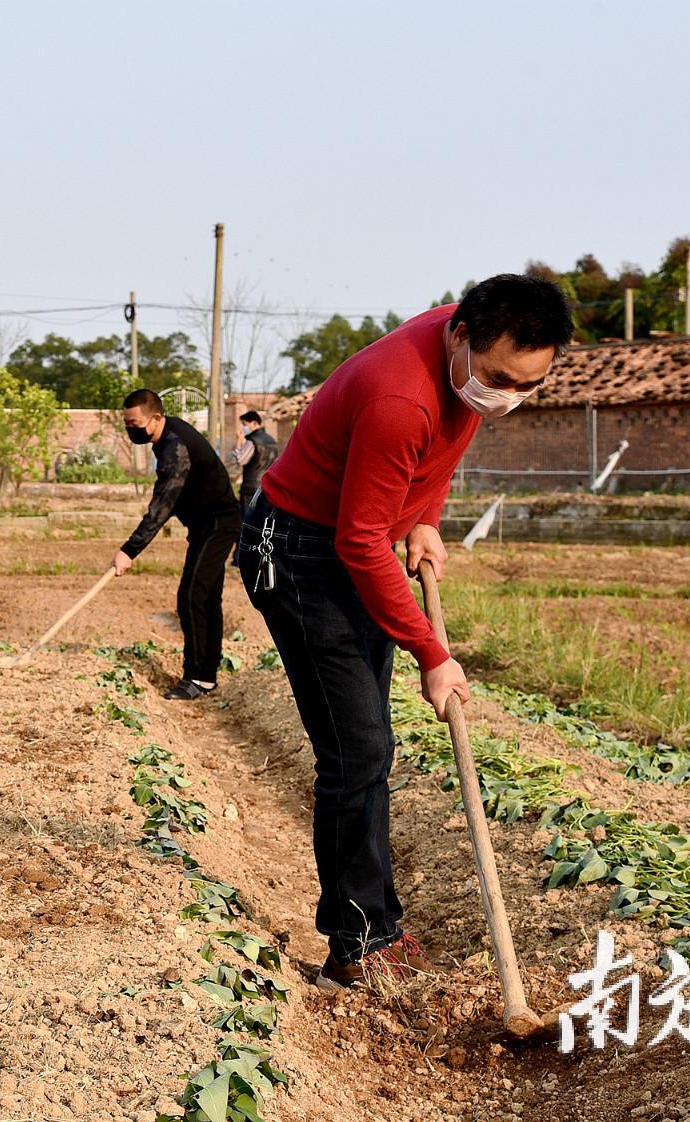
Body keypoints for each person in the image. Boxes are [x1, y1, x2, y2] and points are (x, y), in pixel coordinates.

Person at [239, 274, 572, 991]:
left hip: (348, 543)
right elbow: (361, 543)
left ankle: (374, 924)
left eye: (527, 384)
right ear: (460, 336)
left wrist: (424, 517)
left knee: (369, 748)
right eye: (496, 378)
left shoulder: (464, 359)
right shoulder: (401, 397)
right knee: (356, 750)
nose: (506, 395)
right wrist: (433, 650)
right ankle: (357, 944)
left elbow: (437, 453)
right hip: (299, 554)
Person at [112, 389, 240, 700]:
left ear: (155, 418)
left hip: (218, 524)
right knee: (206, 597)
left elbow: (163, 503)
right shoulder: (168, 435)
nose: (131, 429)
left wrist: (129, 550)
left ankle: (197, 677)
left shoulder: (174, 447)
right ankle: (206, 675)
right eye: (127, 424)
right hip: (205, 525)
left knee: (192, 596)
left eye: (135, 423)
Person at [229, 410, 279, 564]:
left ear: (254, 423)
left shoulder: (253, 441)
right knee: (264, 524)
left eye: (244, 424)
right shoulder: (272, 441)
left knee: (245, 522)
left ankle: (241, 557)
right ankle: (263, 556)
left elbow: (241, 459)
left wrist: (239, 440)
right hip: (267, 488)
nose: (243, 428)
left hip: (251, 488)